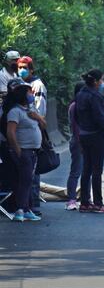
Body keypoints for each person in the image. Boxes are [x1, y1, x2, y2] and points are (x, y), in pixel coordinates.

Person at [1, 79, 45, 221]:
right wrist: (18, 150)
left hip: (32, 151)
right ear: (22, 95)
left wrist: (37, 117)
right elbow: (10, 133)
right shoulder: (14, 112)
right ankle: (21, 210)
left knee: (27, 180)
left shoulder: (31, 111)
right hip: (23, 150)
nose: (32, 94)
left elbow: (43, 126)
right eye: (29, 92)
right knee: (25, 181)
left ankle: (26, 209)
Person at [75, 69, 104, 213]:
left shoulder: (80, 94)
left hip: (84, 135)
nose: (103, 83)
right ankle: (98, 203)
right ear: (96, 82)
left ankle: (85, 202)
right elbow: (99, 118)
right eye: (102, 80)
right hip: (96, 136)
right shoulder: (95, 96)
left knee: (86, 169)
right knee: (97, 170)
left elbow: (77, 116)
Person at [17, 56, 46, 216]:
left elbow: (39, 111)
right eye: (19, 67)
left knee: (33, 173)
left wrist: (34, 119)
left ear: (31, 69)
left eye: (25, 67)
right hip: (22, 134)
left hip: (33, 132)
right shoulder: (20, 84)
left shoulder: (37, 86)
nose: (21, 70)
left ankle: (33, 205)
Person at [65, 82, 85, 211]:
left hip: (86, 142)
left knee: (86, 172)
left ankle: (85, 199)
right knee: (76, 172)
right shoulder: (74, 106)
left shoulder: (84, 105)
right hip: (79, 143)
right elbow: (76, 128)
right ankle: (71, 200)